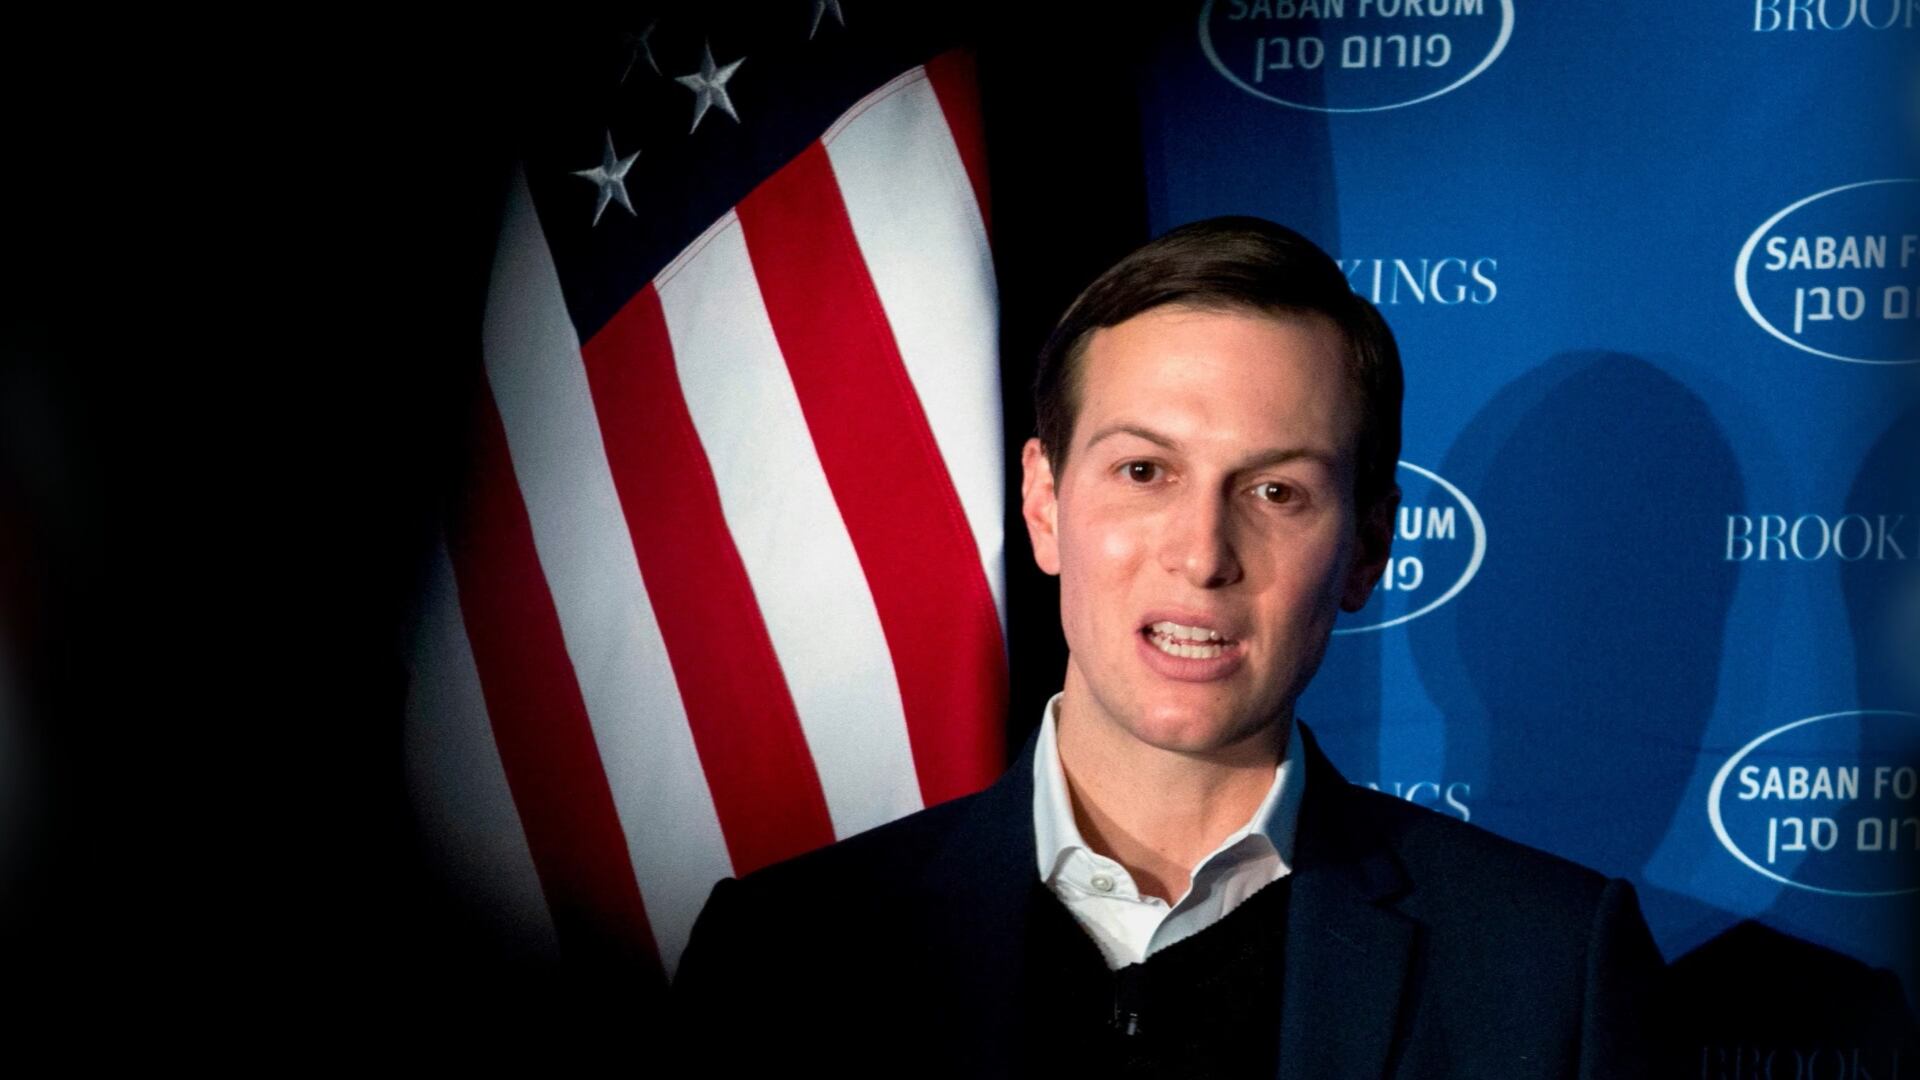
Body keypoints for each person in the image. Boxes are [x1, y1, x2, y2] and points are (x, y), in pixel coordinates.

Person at [671, 217, 1667, 1077]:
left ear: (1366, 550)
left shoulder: (1546, 970)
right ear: (1045, 504)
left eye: (1276, 491)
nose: (1202, 554)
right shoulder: (783, 957)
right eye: (1144, 472)